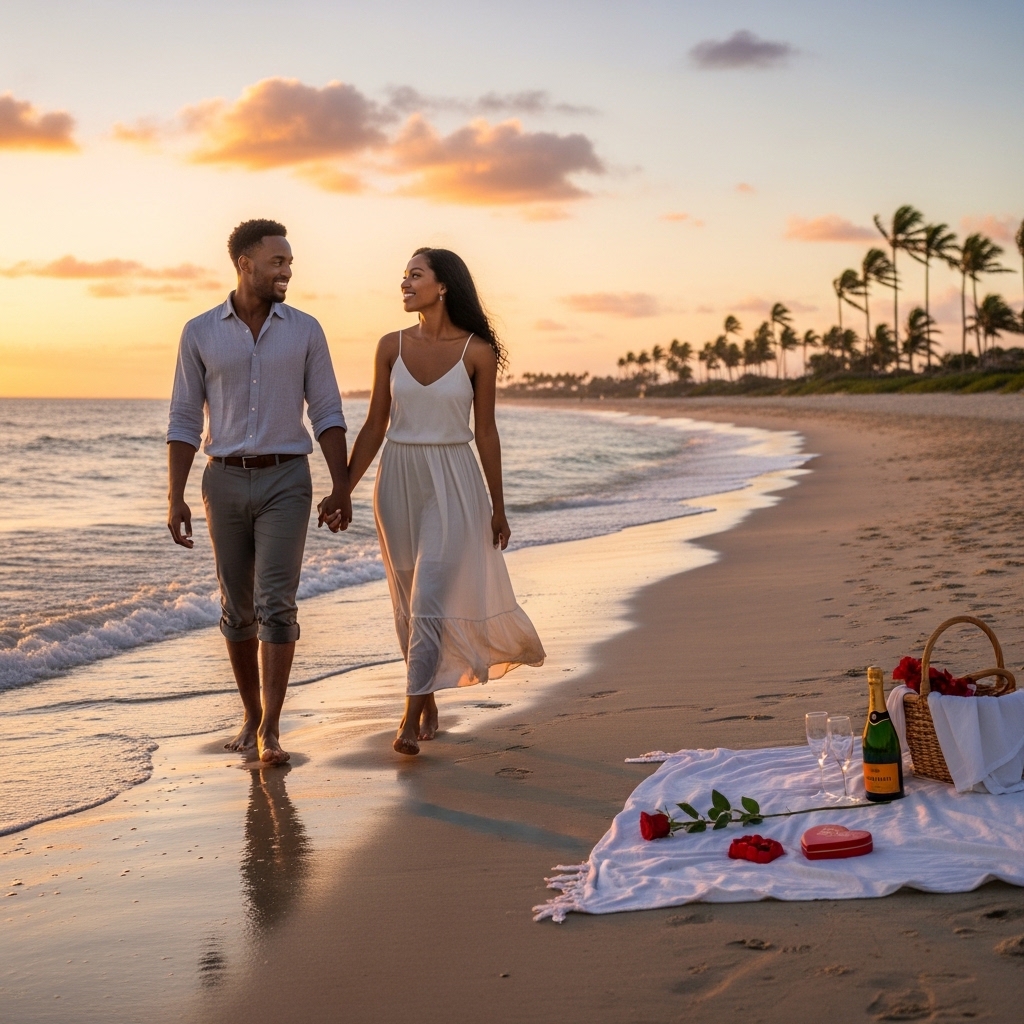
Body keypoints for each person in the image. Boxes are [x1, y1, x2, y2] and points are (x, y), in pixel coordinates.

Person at [339, 247, 545, 755]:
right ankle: (426, 695)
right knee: (407, 598)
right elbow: (373, 425)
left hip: (455, 478)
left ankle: (409, 718)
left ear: (443, 285)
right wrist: (342, 487)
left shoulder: (477, 352)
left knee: (429, 595)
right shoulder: (390, 346)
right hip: (397, 477)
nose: (405, 283)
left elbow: (488, 433)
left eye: (415, 274)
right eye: (404, 275)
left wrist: (499, 506)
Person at [166, 219, 350, 765]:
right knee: (237, 607)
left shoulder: (306, 330)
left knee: (276, 602)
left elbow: (328, 411)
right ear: (246, 264)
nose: (288, 271)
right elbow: (181, 417)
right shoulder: (199, 331)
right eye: (279, 262)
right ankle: (251, 714)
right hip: (221, 479)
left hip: (286, 479)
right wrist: (174, 495)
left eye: (290, 262)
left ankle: (271, 728)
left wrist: (341, 486)